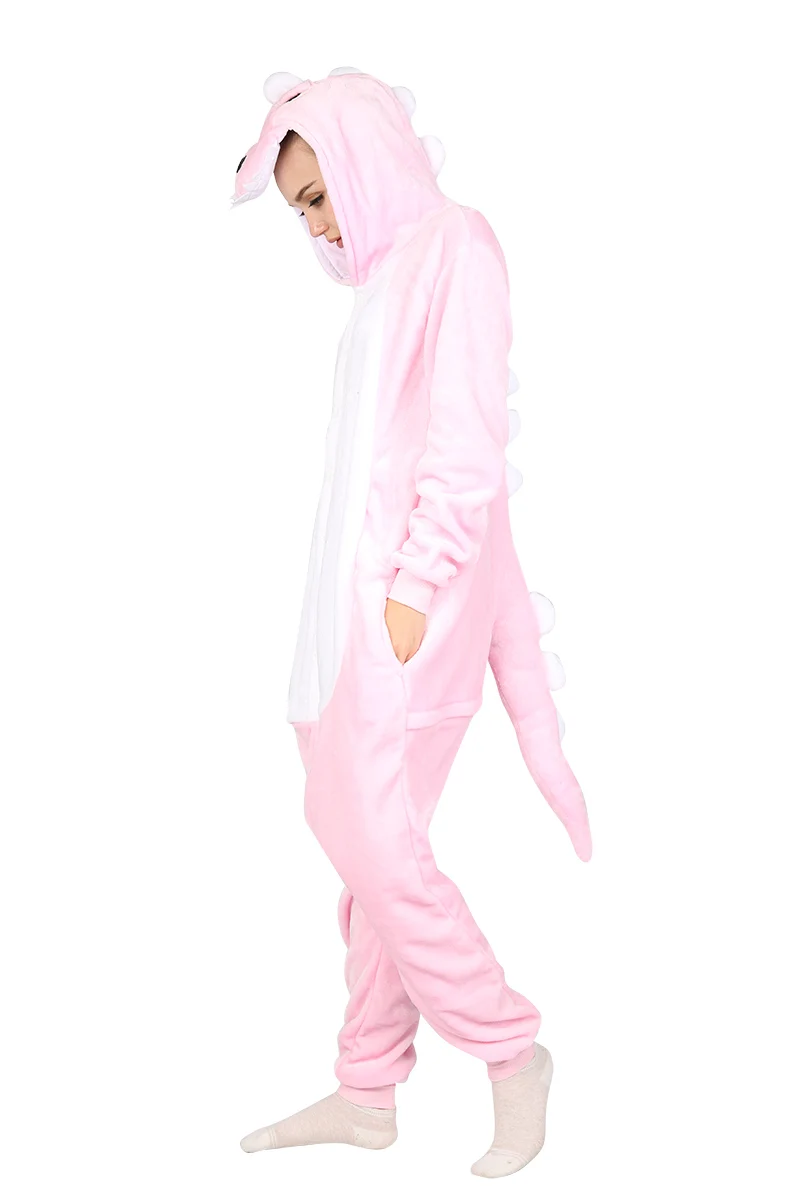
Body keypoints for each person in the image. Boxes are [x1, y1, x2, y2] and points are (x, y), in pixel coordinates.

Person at [231, 66, 592, 1180]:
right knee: (371, 871)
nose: (318, 225)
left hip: (401, 632)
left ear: (364, 157)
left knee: (382, 859)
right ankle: (365, 1089)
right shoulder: (383, 283)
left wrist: (408, 598)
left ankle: (510, 1050)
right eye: (300, 210)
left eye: (320, 194)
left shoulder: (453, 245)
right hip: (340, 641)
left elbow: (466, 444)